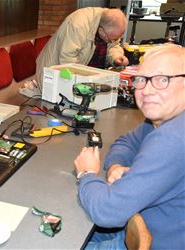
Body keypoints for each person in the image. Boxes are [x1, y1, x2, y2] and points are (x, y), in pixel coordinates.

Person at [74, 44, 185, 249]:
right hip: (134, 224)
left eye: (163, 79)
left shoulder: (174, 138)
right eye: (141, 80)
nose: (147, 90)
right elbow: (126, 142)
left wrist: (87, 173)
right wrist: (116, 166)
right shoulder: (159, 121)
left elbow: (107, 212)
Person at [19, 7, 129, 97]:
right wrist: (84, 84)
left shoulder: (110, 21)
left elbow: (113, 45)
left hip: (82, 75)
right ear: (101, 31)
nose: (114, 41)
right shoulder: (78, 25)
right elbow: (67, 62)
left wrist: (116, 57)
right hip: (57, 72)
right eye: (112, 38)